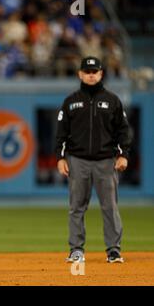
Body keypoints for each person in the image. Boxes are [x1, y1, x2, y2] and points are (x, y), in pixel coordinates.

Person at [56, 56, 132, 264]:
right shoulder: (71, 101)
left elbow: (123, 131)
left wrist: (123, 153)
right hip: (77, 160)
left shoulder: (112, 100)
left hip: (106, 161)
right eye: (87, 72)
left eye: (94, 72)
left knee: (110, 206)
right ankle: (76, 250)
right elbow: (61, 132)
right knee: (77, 207)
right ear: (80, 74)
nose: (90, 75)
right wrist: (61, 157)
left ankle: (114, 251)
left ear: (100, 74)